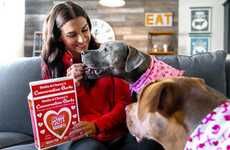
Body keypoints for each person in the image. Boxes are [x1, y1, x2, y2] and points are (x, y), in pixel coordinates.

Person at [41, 1, 164, 150]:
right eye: (72, 35)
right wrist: (68, 86)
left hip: (117, 133)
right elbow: (53, 115)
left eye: (85, 30)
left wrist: (97, 125)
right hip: (81, 138)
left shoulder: (107, 55)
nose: (82, 39)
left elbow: (124, 103)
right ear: (59, 37)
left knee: (151, 143)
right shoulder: (52, 65)